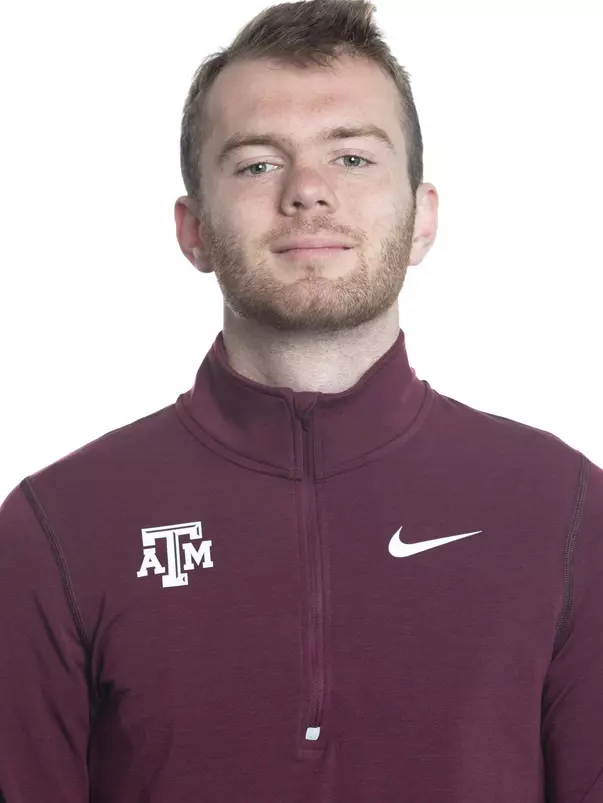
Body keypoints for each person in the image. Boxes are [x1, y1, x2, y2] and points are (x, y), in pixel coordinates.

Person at [1, 0, 601, 800]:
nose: (308, 191)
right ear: (193, 229)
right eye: (256, 164)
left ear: (421, 218)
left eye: (351, 157)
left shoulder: (563, 508)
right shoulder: (58, 525)